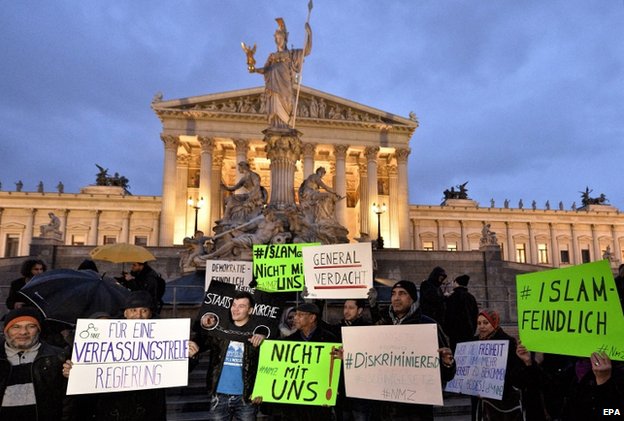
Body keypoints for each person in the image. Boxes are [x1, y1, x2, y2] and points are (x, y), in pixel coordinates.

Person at [63, 291, 167, 421]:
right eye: (134, 310)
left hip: (148, 409)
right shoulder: (109, 335)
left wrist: (190, 356)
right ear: (125, 313)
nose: (138, 316)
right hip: (111, 409)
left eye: (144, 310)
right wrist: (73, 373)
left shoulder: (163, 336)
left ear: (150, 314)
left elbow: (174, 368)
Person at [373, 280, 455, 421]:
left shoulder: (428, 326)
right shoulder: (382, 325)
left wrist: (447, 363)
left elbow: (448, 374)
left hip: (416, 412)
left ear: (412, 299)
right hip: (386, 410)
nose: (396, 298)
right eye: (393, 294)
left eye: (402, 293)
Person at [188, 291, 265, 421]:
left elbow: (267, 366)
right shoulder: (219, 332)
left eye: (241, 306)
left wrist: (261, 390)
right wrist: (193, 345)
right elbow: (201, 342)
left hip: (246, 398)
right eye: (234, 305)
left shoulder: (258, 336)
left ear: (250, 310)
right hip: (219, 396)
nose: (235, 309)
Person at [0, 307, 68, 420]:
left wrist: (72, 377)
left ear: (38, 330)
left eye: (31, 326)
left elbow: (69, 402)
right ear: (6, 330)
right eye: (16, 327)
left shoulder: (58, 357)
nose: (23, 332)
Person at [250, 17, 312, 129]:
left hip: (286, 87)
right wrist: (254, 69)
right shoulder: (272, 56)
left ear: (285, 38)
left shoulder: (292, 54)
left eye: (281, 37)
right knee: (276, 111)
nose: (279, 40)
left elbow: (306, 51)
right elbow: (265, 70)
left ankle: (286, 126)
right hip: (274, 88)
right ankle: (277, 127)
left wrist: (309, 34)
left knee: (287, 106)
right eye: (277, 38)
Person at [280, 302, 338, 421]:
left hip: (319, 403)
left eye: (300, 315)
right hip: (295, 405)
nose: (295, 318)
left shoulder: (329, 340)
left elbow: (335, 369)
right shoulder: (288, 342)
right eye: (295, 315)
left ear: (312, 318)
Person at [473, 309, 524, 421]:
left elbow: (514, 372)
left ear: (494, 323)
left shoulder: (508, 342)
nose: (481, 326)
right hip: (483, 401)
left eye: (486, 323)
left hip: (504, 402)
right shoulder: (474, 342)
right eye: (479, 323)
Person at [330, 299, 373, 421]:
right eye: (345, 307)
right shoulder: (337, 328)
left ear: (359, 310)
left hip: (362, 392)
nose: (346, 311)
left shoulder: (368, 329)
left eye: (351, 308)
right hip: (342, 390)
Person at [443, 274, 478, 352]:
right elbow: (475, 315)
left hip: (455, 334)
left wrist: (448, 331)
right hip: (469, 333)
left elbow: (448, 316)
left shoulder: (452, 297)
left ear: (456, 283)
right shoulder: (471, 297)